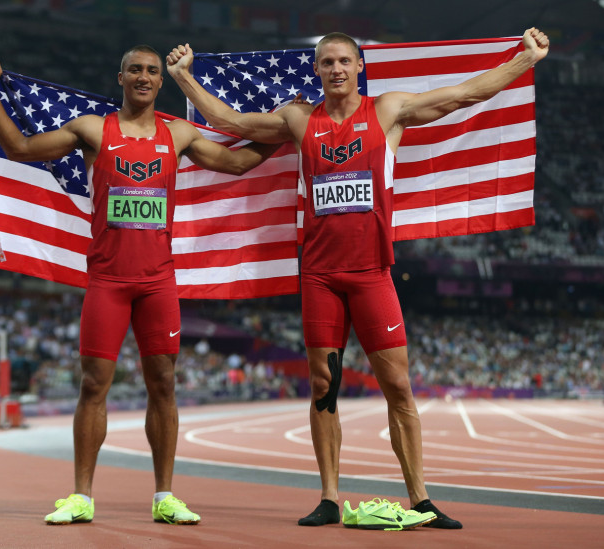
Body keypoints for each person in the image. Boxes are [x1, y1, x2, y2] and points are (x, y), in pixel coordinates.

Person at [167, 28, 550, 529]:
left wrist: (526, 59)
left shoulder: (387, 112)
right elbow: (229, 120)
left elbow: (463, 95)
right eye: (327, 62)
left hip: (372, 274)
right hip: (322, 277)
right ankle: (328, 497)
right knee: (323, 384)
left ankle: (421, 498)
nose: (336, 69)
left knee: (398, 385)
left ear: (359, 67)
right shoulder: (300, 119)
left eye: (344, 60)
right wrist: (183, 78)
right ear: (317, 70)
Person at [0, 45, 278, 526]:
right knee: (93, 385)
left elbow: (235, 164)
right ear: (121, 77)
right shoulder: (94, 130)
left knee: (164, 386)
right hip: (108, 280)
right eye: (135, 69)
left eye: (152, 71)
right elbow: (21, 150)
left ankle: (164, 495)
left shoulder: (179, 134)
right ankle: (81, 496)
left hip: (158, 281)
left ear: (161, 81)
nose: (144, 77)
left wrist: (294, 132)